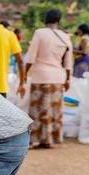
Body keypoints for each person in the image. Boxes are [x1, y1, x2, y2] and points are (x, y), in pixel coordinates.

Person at [25, 9, 73, 149]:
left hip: (41, 76)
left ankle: (37, 139)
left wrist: (24, 75)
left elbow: (31, 57)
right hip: (58, 77)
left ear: (46, 19)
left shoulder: (39, 33)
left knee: (39, 109)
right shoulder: (65, 36)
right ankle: (51, 138)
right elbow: (68, 62)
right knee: (53, 110)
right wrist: (68, 79)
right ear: (59, 20)